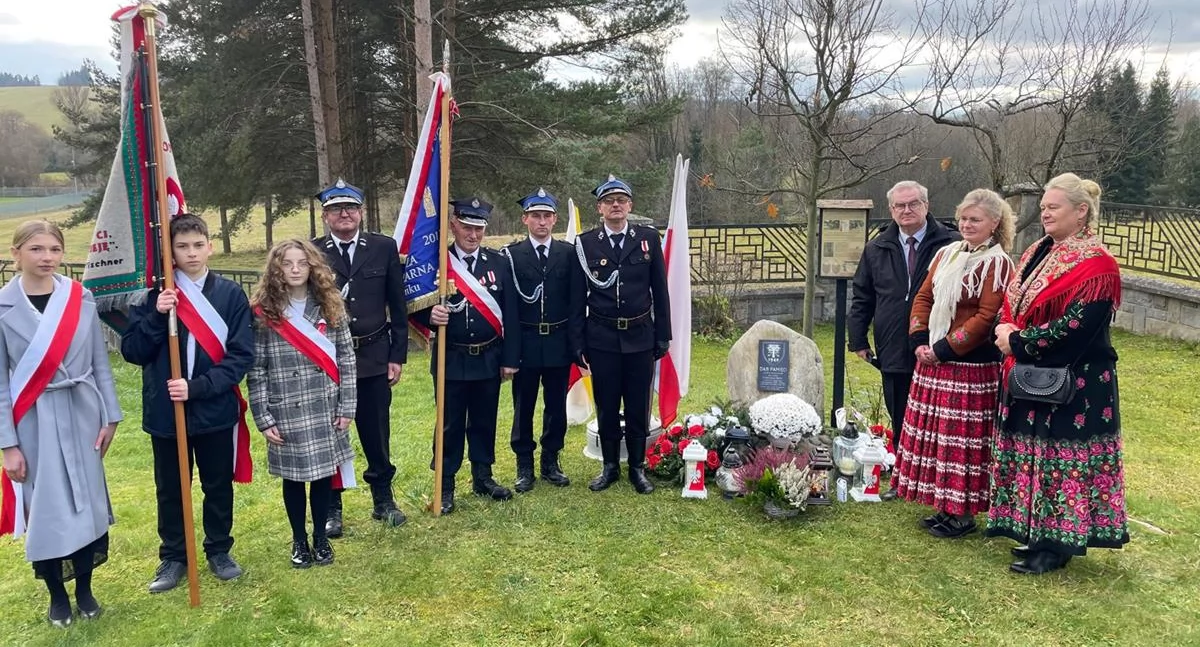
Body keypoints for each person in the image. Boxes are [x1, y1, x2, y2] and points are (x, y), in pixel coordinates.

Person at [989, 172, 1128, 575]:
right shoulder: (1038, 250)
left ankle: (1058, 543)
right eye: (1044, 207)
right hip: (1030, 373)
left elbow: (1078, 327)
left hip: (1076, 380)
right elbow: (1012, 299)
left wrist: (1018, 342)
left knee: (1060, 458)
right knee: (1035, 455)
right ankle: (1036, 533)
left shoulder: (1097, 264)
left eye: (1053, 207)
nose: (1045, 213)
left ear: (1081, 211)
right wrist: (1006, 330)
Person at [120, 213, 253, 592]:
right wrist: (159, 317)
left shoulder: (230, 295)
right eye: (182, 247)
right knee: (172, 487)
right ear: (170, 252)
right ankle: (174, 557)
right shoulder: (151, 297)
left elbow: (240, 356)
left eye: (198, 245)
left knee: (216, 484)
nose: (191, 253)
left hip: (212, 408)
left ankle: (219, 549)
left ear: (209, 246)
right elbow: (133, 351)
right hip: (166, 412)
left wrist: (198, 387)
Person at [0, 221, 122, 626]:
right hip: (32, 422)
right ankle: (56, 594)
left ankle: (85, 589)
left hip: (82, 412)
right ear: (16, 253)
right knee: (48, 509)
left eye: (54, 249)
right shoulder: (2, 307)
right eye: (36, 249)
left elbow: (99, 363)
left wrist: (111, 416)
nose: (46, 258)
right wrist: (7, 445)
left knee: (86, 505)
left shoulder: (79, 297)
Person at [896, 189, 1015, 538]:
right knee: (936, 438)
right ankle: (942, 505)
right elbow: (924, 296)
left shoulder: (997, 263)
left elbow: (986, 316)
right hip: (932, 359)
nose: (966, 224)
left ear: (994, 223)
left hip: (969, 366)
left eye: (975, 219)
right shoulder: (946, 254)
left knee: (960, 442)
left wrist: (946, 349)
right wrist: (919, 340)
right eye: (963, 218)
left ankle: (962, 513)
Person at [848, 180, 960, 500]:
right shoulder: (877, 248)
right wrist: (857, 339)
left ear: (926, 205)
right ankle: (902, 478)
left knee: (939, 419)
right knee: (902, 415)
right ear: (891, 210)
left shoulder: (950, 243)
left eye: (913, 204)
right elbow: (862, 297)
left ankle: (939, 481)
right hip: (894, 346)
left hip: (939, 346)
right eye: (900, 206)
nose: (906, 210)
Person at [248, 240, 356, 569]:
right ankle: (299, 539)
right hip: (285, 408)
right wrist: (263, 417)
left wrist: (347, 406)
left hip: (323, 405)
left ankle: (321, 539)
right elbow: (256, 368)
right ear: (276, 269)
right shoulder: (264, 312)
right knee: (294, 479)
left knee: (323, 476)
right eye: (287, 263)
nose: (295, 269)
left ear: (312, 268)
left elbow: (347, 359)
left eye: (302, 263)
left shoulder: (329, 306)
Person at [312, 178, 409, 534]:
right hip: (328, 359)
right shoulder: (312, 252)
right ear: (325, 215)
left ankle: (383, 499)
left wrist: (396, 355)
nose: (345, 214)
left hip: (372, 355)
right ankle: (331, 508)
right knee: (329, 433)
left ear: (361, 212)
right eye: (337, 209)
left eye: (351, 208)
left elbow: (397, 306)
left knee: (376, 431)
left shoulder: (383, 248)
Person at [414, 198, 521, 514]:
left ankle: (483, 476)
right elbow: (415, 304)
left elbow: (511, 313)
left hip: (488, 356)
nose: (472, 235)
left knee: (484, 419)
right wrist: (428, 316)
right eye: (466, 227)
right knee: (449, 422)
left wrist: (510, 358)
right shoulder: (436, 262)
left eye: (478, 228)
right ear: (453, 225)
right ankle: (445, 484)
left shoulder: (498, 263)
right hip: (451, 358)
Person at [569, 175, 670, 495]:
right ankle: (610, 466)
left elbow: (660, 290)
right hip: (601, 338)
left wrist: (662, 334)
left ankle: (637, 468)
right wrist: (578, 341)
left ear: (630, 206)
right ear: (599, 208)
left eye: (621, 200)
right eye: (609, 201)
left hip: (640, 336)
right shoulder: (585, 244)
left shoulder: (648, 239)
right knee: (607, 403)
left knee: (639, 404)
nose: (616, 205)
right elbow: (576, 298)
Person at [502, 188, 585, 492]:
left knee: (555, 405)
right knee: (523, 405)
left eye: (547, 216)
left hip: (558, 341)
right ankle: (524, 463)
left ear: (555, 219)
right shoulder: (511, 256)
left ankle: (551, 459)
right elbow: (508, 308)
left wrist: (577, 345)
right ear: (525, 219)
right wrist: (509, 353)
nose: (542, 221)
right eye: (536, 215)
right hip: (525, 341)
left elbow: (577, 302)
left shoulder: (568, 253)